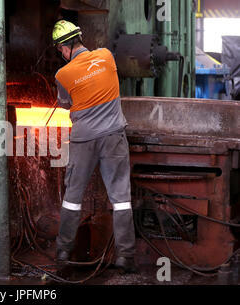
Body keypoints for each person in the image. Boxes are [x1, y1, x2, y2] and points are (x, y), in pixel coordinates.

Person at [52, 20, 137, 273]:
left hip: (83, 140)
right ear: (79, 39)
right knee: (121, 198)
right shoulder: (106, 56)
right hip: (113, 136)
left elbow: (65, 104)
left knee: (72, 197)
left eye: (60, 50)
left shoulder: (62, 75)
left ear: (64, 48)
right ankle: (126, 257)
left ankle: (63, 252)